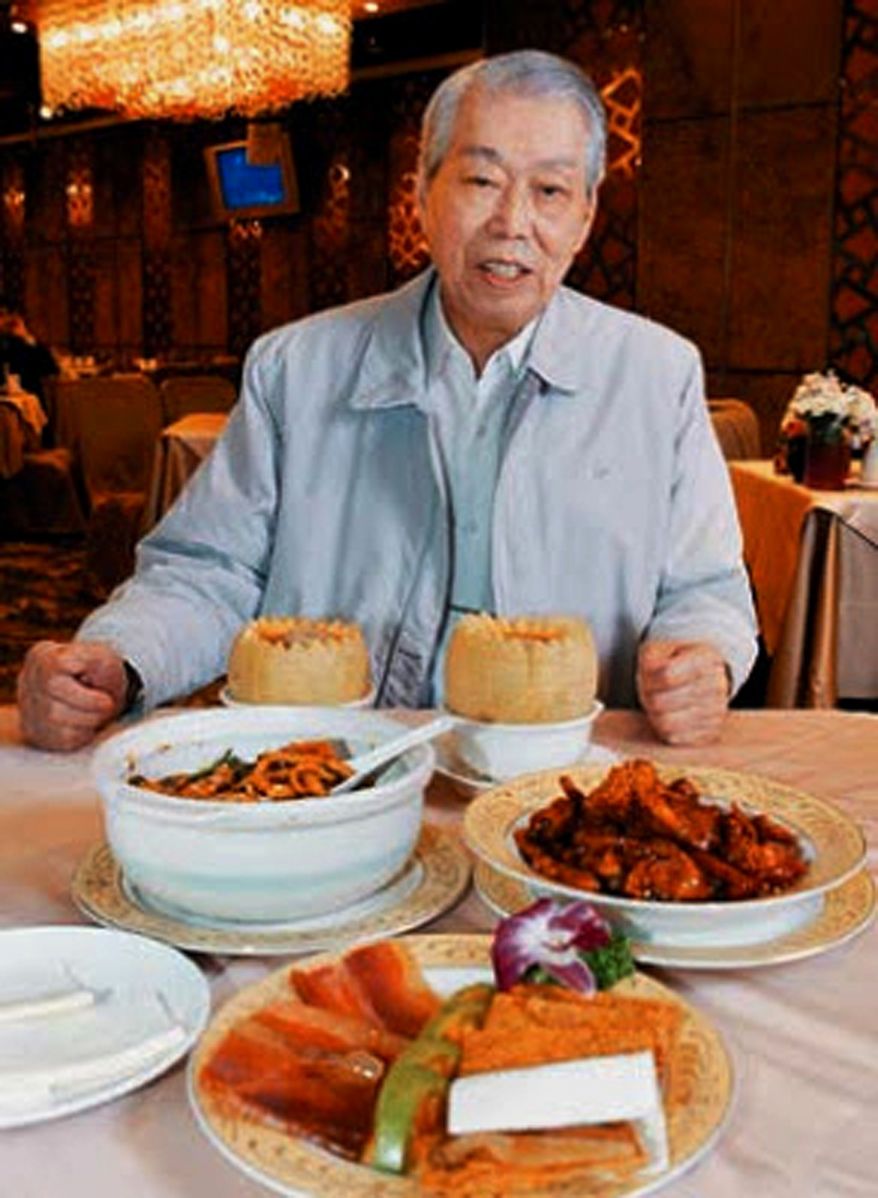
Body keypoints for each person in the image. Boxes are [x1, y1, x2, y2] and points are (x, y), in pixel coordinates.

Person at [17, 50, 757, 753]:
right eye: (481, 180)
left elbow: (705, 588)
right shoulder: (296, 368)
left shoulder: (656, 375)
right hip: (336, 764)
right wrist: (119, 658)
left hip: (564, 773)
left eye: (550, 191)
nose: (512, 222)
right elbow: (209, 571)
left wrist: (702, 657)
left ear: (585, 217)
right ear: (423, 195)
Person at [0, 298, 59, 406]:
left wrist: (27, 337)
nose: (4, 320)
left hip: (28, 403)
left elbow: (51, 368)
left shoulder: (22, 343)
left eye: (5, 316)